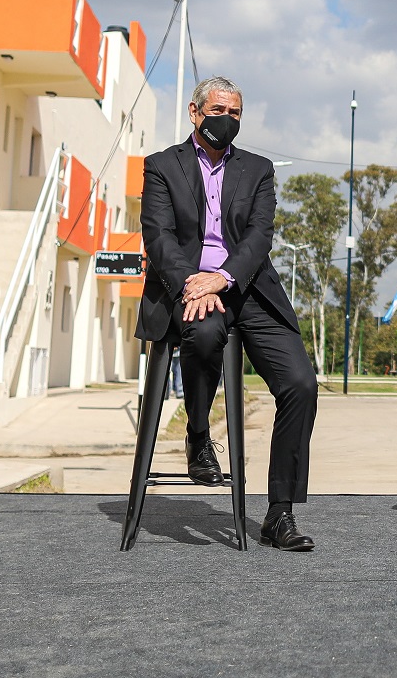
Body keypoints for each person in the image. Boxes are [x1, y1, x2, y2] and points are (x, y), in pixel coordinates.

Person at [137, 77, 319, 551]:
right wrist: (191, 283)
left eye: (236, 113)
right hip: (187, 289)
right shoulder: (161, 166)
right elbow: (157, 236)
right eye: (219, 110)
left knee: (301, 384)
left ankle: (279, 514)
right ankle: (199, 435)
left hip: (248, 287)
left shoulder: (257, 169)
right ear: (195, 113)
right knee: (204, 334)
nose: (228, 119)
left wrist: (222, 277)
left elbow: (260, 236)